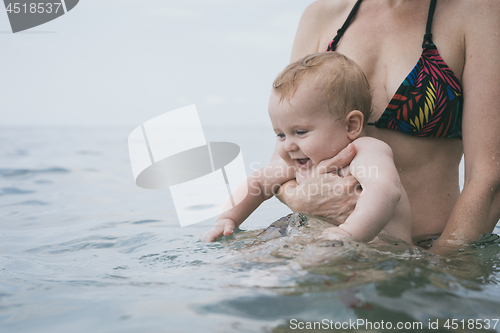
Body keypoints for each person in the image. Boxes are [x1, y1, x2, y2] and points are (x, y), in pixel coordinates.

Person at [274, 0, 500, 253]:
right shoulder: (323, 14)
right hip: (319, 241)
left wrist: (443, 268)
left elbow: (489, 176)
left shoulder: (480, 10)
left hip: (425, 249)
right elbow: (284, 157)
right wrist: (297, 198)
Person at [202, 52, 412, 244]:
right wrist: (227, 218)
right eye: (280, 135)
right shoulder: (299, 164)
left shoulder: (366, 151)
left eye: (300, 132)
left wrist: (349, 233)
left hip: (383, 255)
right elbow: (257, 182)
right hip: (329, 250)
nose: (288, 145)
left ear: (351, 125)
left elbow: (384, 189)